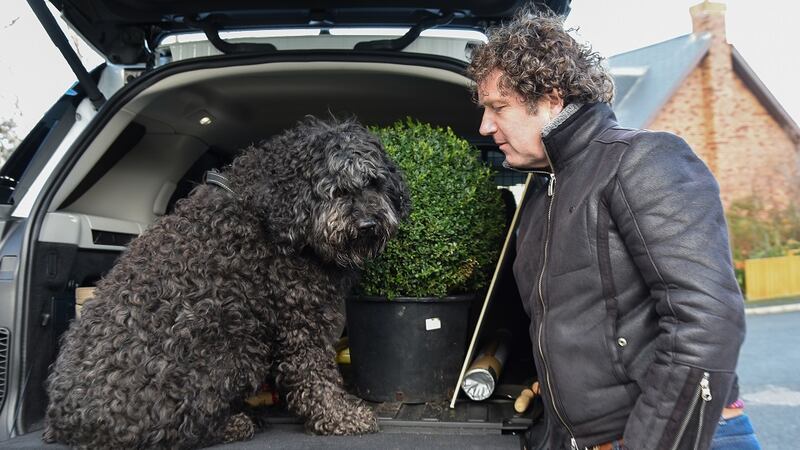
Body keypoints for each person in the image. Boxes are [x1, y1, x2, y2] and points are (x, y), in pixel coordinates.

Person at [467, 7, 760, 450]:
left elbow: (707, 320)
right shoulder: (540, 194)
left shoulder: (643, 160)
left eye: (498, 107)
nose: (486, 126)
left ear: (549, 97)